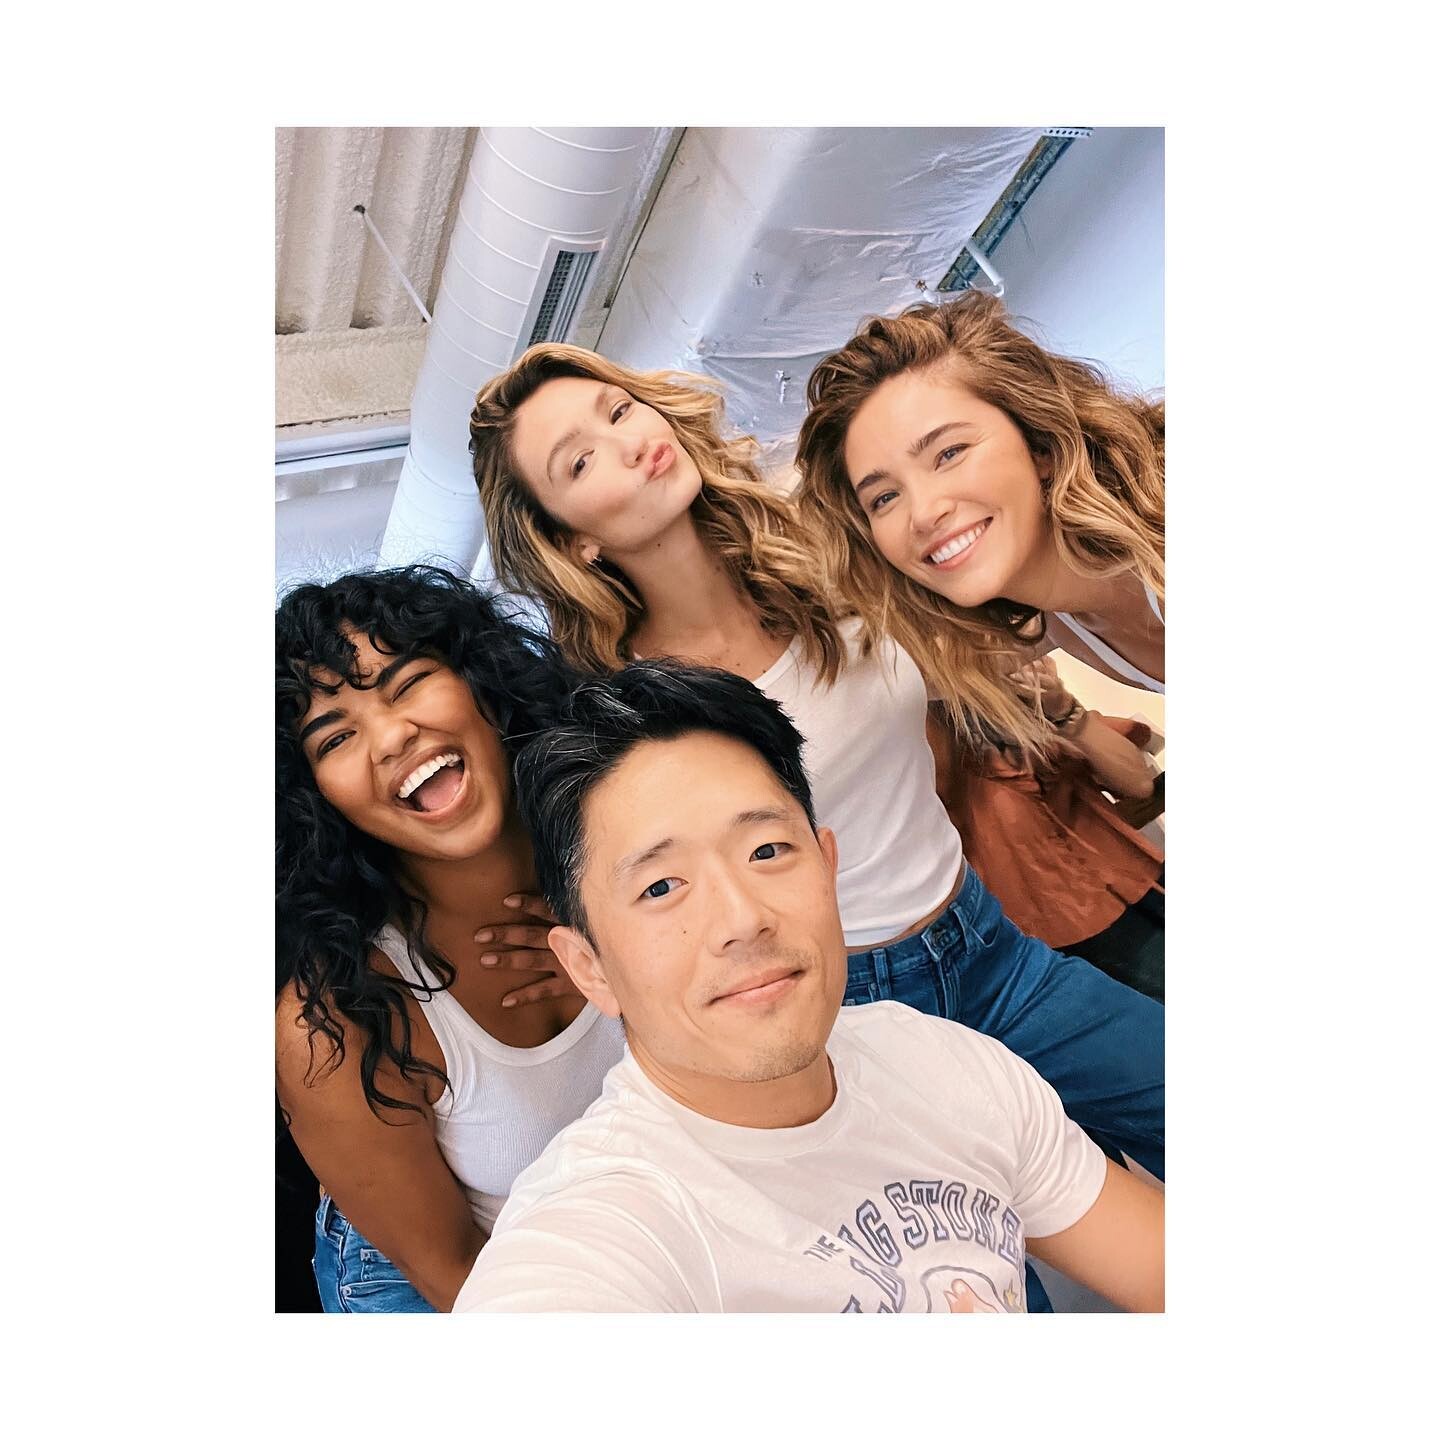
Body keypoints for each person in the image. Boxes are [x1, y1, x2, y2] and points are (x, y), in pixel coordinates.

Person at [467, 345, 1164, 1216]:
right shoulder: (623, 710)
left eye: (619, 411)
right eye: (579, 461)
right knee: (975, 1265)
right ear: (572, 538)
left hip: (995, 946)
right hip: (853, 1013)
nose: (628, 442)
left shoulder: (835, 553)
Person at [454, 662, 1164, 1313]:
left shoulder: (946, 1064)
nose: (742, 918)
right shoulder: (603, 1229)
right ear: (589, 967)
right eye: (662, 887)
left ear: (828, 867)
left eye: (766, 850)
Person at [275, 565, 625, 1313]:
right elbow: (457, 1278)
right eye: (336, 738)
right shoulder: (335, 1019)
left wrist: (621, 965)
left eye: (407, 684)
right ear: (313, 801)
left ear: (483, 686)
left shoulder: (628, 839)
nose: (392, 735)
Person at [794, 292, 1165, 721]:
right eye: (885, 498)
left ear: (1040, 443)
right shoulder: (1057, 621)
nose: (923, 513)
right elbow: (869, 696)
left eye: (949, 453)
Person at [930, 657, 1165, 1003]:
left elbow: (1137, 784)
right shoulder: (923, 736)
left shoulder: (1016, 686)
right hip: (1056, 933)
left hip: (1135, 879)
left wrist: (1067, 713)